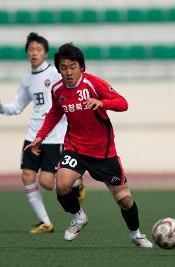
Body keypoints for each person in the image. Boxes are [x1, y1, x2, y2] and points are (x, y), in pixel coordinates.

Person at [24, 43, 153, 248]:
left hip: (104, 152)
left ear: (81, 67)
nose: (68, 72)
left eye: (73, 66)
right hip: (75, 148)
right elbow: (55, 113)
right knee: (62, 185)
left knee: (124, 200)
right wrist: (40, 136)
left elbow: (123, 103)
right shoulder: (58, 90)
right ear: (58, 69)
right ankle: (79, 217)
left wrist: (103, 103)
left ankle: (136, 233)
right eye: (64, 67)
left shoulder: (93, 84)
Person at [0, 33, 86, 234]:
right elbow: (18, 106)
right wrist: (1, 109)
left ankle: (76, 184)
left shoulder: (55, 73)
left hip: (54, 135)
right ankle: (46, 222)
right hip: (33, 134)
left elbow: (72, 89)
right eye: (31, 50)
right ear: (27, 53)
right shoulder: (27, 79)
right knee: (27, 176)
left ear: (45, 53)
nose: (34, 53)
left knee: (46, 182)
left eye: (38, 50)